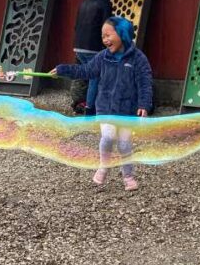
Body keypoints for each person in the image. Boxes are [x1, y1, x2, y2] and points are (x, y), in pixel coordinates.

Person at [52, 16, 152, 191]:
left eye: (108, 35)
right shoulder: (102, 57)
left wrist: (144, 104)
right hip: (105, 107)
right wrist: (62, 70)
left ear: (122, 34)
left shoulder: (138, 58)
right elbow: (85, 70)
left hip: (127, 110)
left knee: (124, 144)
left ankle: (128, 176)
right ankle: (104, 166)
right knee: (107, 136)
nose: (105, 40)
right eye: (103, 36)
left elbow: (145, 82)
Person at [70, 0, 114, 115]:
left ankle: (78, 102)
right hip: (92, 47)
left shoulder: (84, 2)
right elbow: (107, 27)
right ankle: (90, 109)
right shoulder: (104, 3)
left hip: (78, 46)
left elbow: (76, 25)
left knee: (83, 76)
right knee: (95, 78)